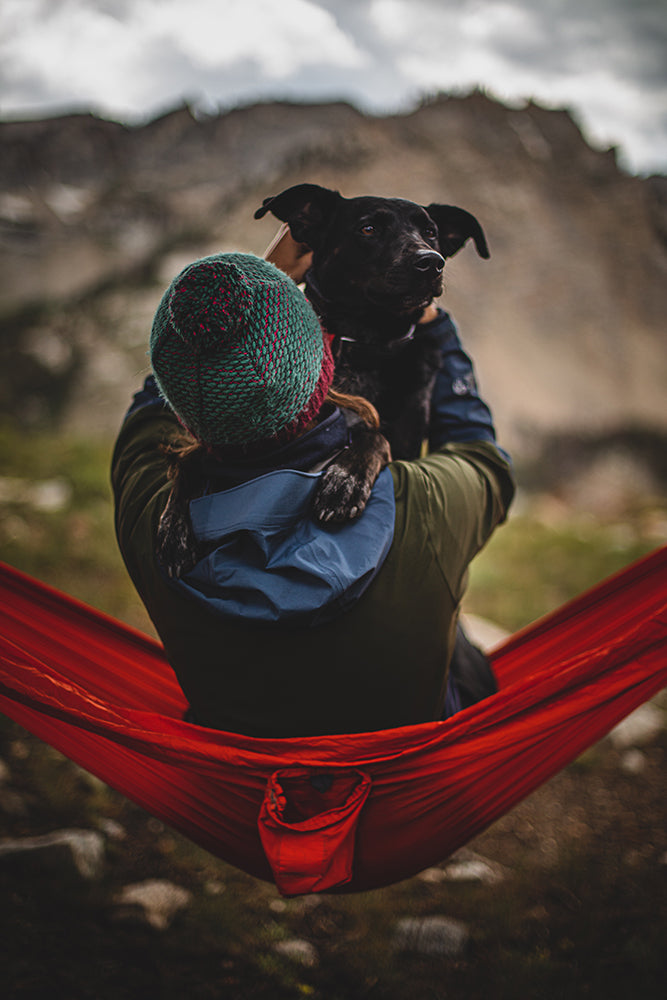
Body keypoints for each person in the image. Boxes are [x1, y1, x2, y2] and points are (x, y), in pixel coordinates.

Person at [112, 252, 514, 737]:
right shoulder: (423, 507)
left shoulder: (148, 517)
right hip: (399, 785)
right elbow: (483, 458)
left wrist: (214, 323)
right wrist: (436, 329)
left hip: (242, 782)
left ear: (186, 402)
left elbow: (152, 403)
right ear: (325, 359)